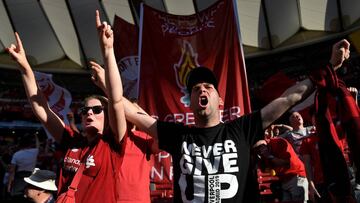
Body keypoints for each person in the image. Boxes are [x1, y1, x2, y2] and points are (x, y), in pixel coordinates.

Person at [119, 36, 350, 202]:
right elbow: (131, 112)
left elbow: (288, 99)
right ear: (189, 101)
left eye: (208, 87)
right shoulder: (178, 135)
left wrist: (330, 67)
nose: (202, 90)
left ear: (219, 101)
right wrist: (109, 67)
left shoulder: (243, 129)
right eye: (196, 88)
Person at [5, 10, 126, 202]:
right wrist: (25, 67)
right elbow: (41, 110)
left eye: (97, 110)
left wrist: (108, 51)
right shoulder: (72, 141)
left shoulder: (114, 143)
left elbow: (117, 100)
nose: (89, 113)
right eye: (85, 110)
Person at [90, 60, 160, 203]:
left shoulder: (144, 139)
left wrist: (133, 111)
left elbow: (160, 133)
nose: (124, 115)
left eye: (127, 113)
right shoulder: (106, 139)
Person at [254, 137, 309, 202]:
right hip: (283, 180)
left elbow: (285, 162)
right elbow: (264, 169)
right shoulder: (262, 153)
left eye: (260, 149)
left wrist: (269, 155)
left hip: (295, 176)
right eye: (257, 151)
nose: (260, 152)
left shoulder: (279, 142)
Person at [7, 133, 39, 201]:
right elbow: (38, 145)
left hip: (19, 179)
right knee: (29, 198)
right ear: (30, 143)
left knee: (17, 198)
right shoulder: (35, 151)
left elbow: (12, 172)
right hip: (31, 178)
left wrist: (9, 184)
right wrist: (36, 137)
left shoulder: (16, 154)